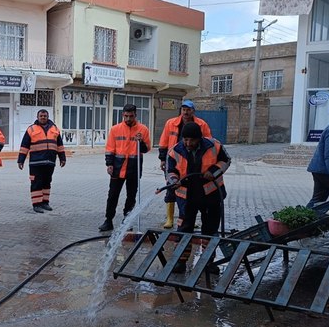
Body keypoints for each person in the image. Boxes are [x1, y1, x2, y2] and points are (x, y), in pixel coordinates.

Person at [166, 122, 231, 272]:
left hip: (211, 196)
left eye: (192, 140)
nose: (188, 143)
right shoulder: (175, 151)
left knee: (210, 229)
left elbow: (226, 161)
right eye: (185, 140)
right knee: (184, 228)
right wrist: (174, 181)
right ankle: (181, 261)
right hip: (187, 197)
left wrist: (213, 171)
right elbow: (170, 171)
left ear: (199, 138)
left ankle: (208, 262)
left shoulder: (214, 146)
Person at [158, 100, 212, 229]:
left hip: (194, 163)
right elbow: (164, 141)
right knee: (172, 187)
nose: (186, 112)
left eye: (188, 110)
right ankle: (170, 219)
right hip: (175, 160)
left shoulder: (201, 124)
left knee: (193, 192)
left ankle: (190, 219)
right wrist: (163, 159)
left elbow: (209, 142)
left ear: (193, 111)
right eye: (183, 109)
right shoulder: (171, 123)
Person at [99, 104, 151, 231]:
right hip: (117, 167)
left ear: (135, 115)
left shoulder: (143, 130)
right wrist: (109, 164)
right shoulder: (115, 129)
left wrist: (141, 142)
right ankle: (108, 220)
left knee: (131, 196)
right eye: (126, 116)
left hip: (134, 167)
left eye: (131, 116)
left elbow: (146, 149)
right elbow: (110, 148)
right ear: (123, 115)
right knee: (112, 195)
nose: (128, 119)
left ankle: (127, 220)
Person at [17, 109, 66, 213]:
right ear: (37, 117)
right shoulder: (31, 129)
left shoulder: (55, 129)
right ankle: (36, 204)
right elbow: (24, 145)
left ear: (47, 117)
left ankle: (45, 202)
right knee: (36, 183)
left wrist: (62, 158)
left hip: (50, 162)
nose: (43, 117)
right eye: (41, 116)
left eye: (45, 116)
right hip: (36, 163)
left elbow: (60, 145)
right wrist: (21, 160)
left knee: (47, 182)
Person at [306, 119, 329, 208]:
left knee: (318, 199)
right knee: (318, 199)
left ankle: (302, 219)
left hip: (321, 170)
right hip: (325, 171)